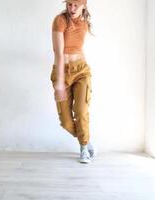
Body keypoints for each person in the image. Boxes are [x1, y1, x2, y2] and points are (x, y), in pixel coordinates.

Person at [50, 0, 95, 164]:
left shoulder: (84, 23)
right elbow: (59, 53)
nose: (72, 8)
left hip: (81, 71)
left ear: (84, 5)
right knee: (66, 122)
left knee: (81, 110)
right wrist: (60, 82)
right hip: (62, 71)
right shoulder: (60, 20)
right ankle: (86, 138)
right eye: (69, 4)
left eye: (76, 5)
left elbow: (78, 47)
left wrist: (81, 66)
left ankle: (84, 148)